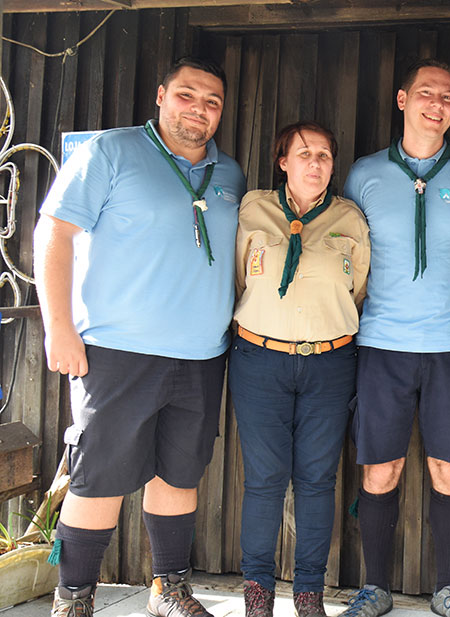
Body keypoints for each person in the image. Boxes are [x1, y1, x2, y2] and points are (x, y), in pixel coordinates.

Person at [34, 57, 245, 617]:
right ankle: (73, 600)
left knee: (178, 475)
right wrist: (58, 326)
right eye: (186, 95)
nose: (198, 109)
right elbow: (52, 232)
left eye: (211, 102)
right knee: (97, 480)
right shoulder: (111, 151)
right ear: (160, 95)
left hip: (201, 356)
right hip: (116, 352)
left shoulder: (231, 175)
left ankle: (167, 592)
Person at [339, 58, 450, 617]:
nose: (439, 104)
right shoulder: (363, 174)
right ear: (403, 100)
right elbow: (347, 255)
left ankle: (447, 589)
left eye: (449, 96)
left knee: (448, 466)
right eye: (428, 93)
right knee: (380, 465)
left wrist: (447, 313)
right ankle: (374, 587)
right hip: (381, 345)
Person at [231, 122, 370, 617]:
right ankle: (258, 597)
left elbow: (356, 291)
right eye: (304, 153)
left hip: (329, 364)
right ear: (283, 161)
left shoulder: (350, 218)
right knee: (265, 480)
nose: (315, 163)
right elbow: (239, 276)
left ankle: (309, 595)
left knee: (317, 480)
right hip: (259, 361)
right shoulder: (254, 209)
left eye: (325, 156)